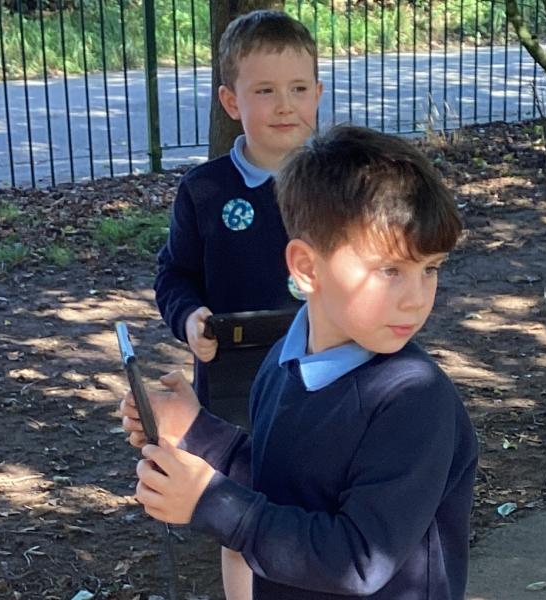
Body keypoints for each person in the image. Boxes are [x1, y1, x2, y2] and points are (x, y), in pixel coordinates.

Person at [125, 125, 477, 599]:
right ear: (307, 268)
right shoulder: (285, 360)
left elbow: (359, 560)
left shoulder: (413, 400)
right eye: (390, 270)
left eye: (429, 269)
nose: (416, 298)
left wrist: (212, 501)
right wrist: (196, 430)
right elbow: (281, 486)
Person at [149, 10, 322, 597]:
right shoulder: (205, 190)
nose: (285, 105)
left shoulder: (341, 186)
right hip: (235, 381)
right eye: (265, 91)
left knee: (314, 499)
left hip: (325, 370)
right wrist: (189, 318)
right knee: (242, 513)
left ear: (318, 92)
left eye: (298, 89)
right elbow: (175, 274)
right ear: (230, 101)